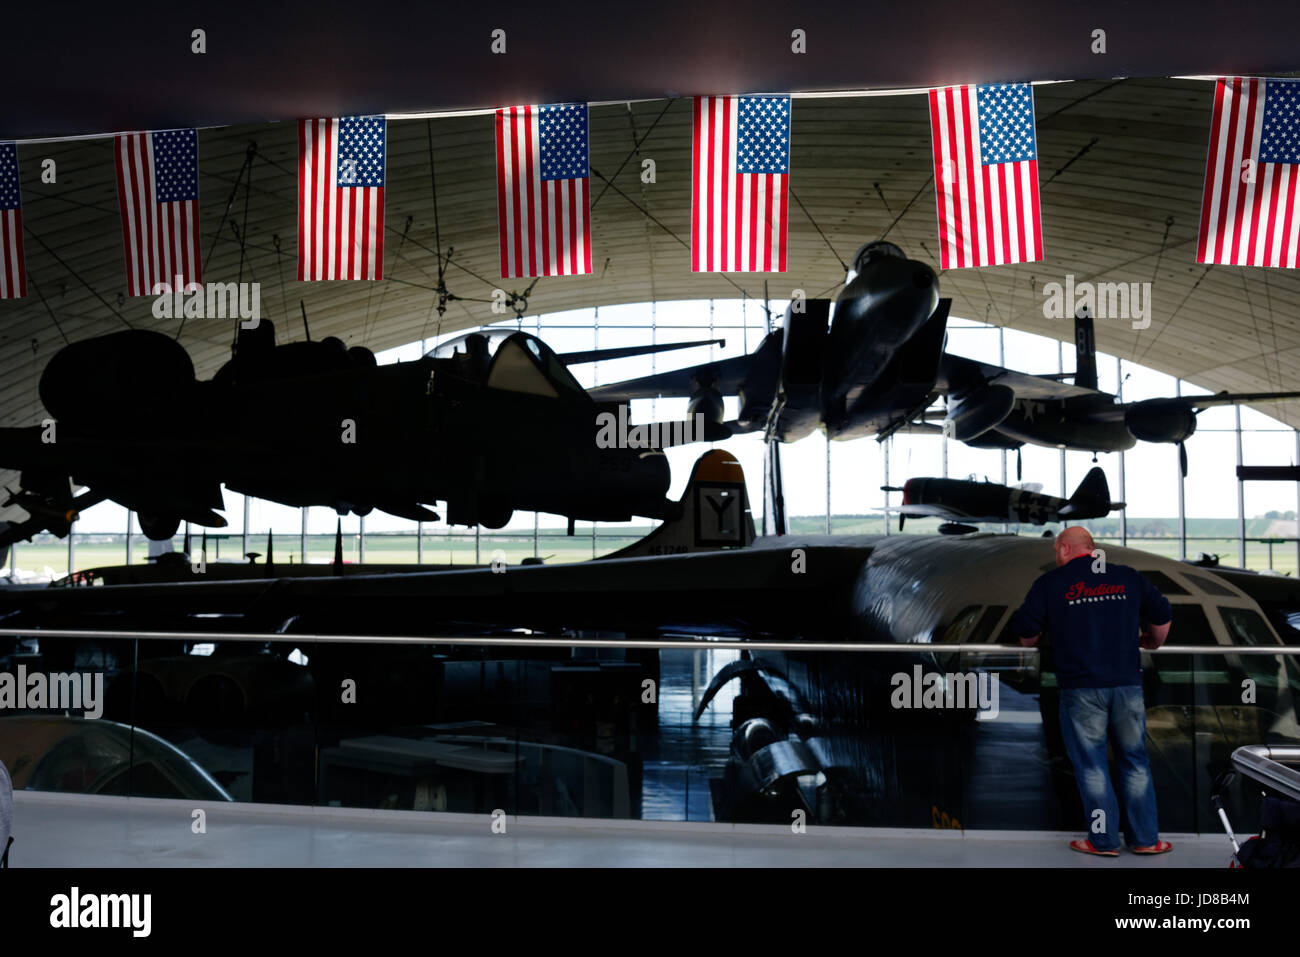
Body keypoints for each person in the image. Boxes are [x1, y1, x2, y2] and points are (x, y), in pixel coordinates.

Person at [1011, 526, 1173, 856]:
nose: (1056, 556)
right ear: (1091, 548)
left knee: (1092, 766)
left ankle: (1103, 841)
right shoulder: (1127, 577)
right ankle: (1145, 840)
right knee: (1135, 762)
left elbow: (1026, 632)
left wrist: (1035, 642)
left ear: (1065, 549)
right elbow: (1162, 614)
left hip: (1081, 689)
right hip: (1127, 686)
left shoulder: (1051, 583)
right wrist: (1152, 642)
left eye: (1057, 550)